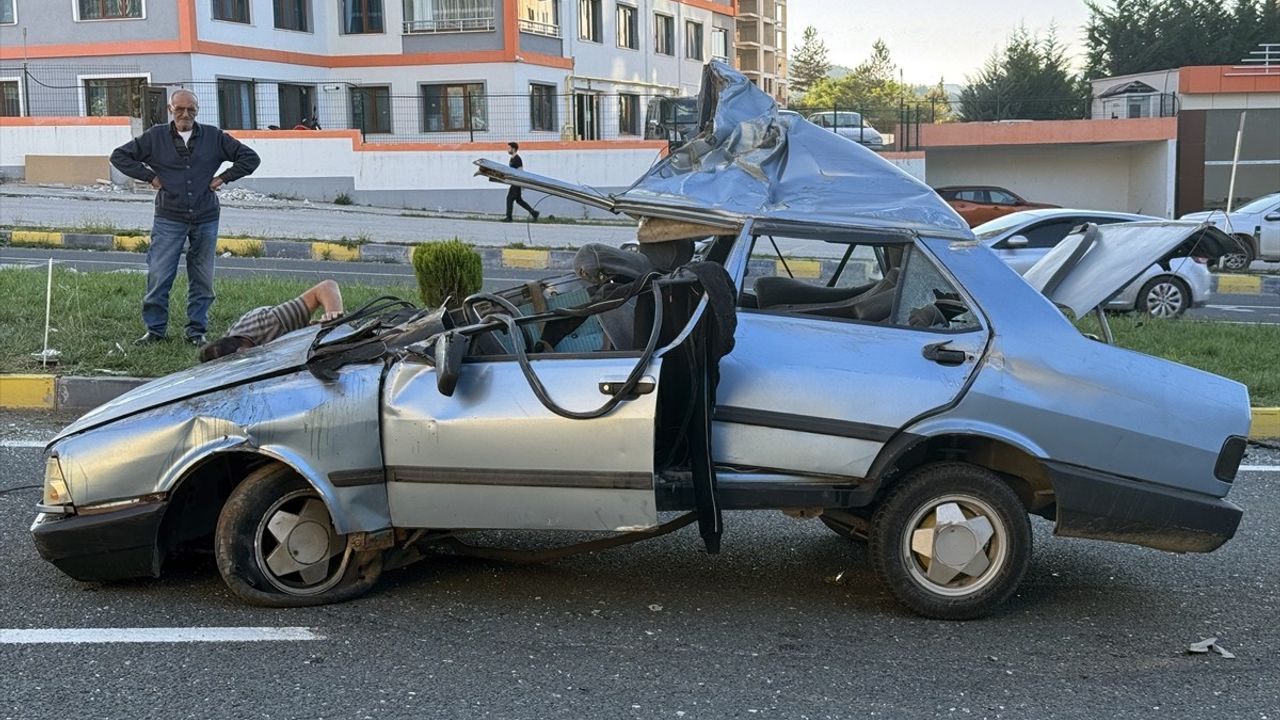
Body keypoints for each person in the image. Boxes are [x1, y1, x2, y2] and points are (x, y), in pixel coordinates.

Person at [110, 88, 261, 347]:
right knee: (159, 275)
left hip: (206, 216)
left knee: (202, 278)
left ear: (197, 111)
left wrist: (223, 178)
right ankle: (155, 331)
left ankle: (196, 332)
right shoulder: (155, 137)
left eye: (191, 109)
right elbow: (119, 156)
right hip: (169, 216)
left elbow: (250, 158)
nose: (185, 114)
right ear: (170, 110)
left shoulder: (214, 137)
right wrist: (150, 177)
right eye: (179, 109)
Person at [198, 279, 344, 362]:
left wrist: (333, 317)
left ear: (244, 350)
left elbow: (326, 287)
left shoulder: (271, 322)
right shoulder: (224, 352)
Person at [503, 142, 539, 223]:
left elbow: (520, 172)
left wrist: (521, 184)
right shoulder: (512, 158)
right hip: (514, 182)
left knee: (509, 199)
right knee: (519, 200)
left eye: (509, 148)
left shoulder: (517, 159)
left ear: (513, 149)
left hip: (517, 182)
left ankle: (509, 217)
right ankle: (534, 213)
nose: (507, 150)